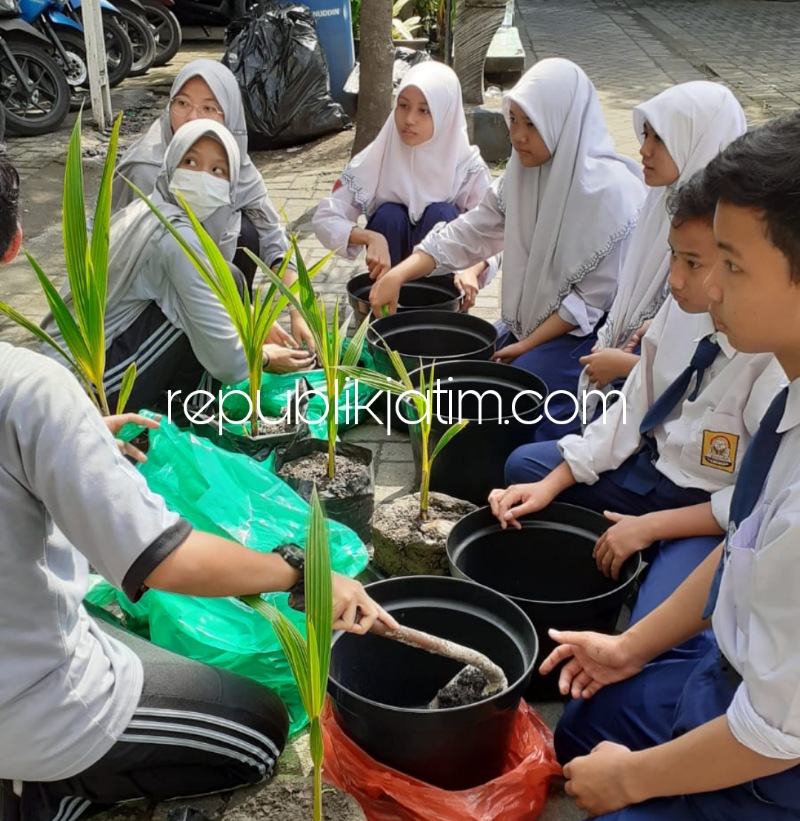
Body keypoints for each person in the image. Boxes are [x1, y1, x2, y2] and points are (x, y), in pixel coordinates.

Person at [0, 146, 397, 821]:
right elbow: (167, 561)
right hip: (32, 710)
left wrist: (74, 438)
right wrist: (304, 574)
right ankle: (50, 796)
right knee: (257, 727)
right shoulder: (26, 390)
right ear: (14, 244)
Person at [538, 111, 800, 821]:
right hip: (733, 675)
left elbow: (776, 733)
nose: (709, 288)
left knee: (607, 791)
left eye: (733, 265)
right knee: (583, 726)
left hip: (772, 763)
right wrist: (627, 647)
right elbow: (743, 547)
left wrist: (629, 781)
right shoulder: (791, 401)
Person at [489, 169, 785, 640]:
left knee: (658, 627)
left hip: (704, 511)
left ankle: (648, 557)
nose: (676, 279)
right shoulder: (680, 310)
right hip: (649, 471)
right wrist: (554, 482)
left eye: (694, 263)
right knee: (526, 470)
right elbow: (631, 408)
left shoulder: (770, 353)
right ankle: (634, 551)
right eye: (673, 257)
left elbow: (752, 503)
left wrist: (650, 527)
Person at [369, 58, 646, 440]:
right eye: (513, 120)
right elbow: (470, 232)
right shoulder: (521, 173)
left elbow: (588, 304)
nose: (518, 136)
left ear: (563, 121)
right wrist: (399, 273)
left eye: (532, 124)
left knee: (519, 399)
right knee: (465, 379)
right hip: (532, 324)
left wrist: (525, 345)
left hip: (588, 336)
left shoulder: (610, 196)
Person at [44, 120, 314, 414]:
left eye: (217, 171)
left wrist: (251, 318)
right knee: (197, 317)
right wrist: (263, 358)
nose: (202, 177)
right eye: (191, 162)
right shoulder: (174, 241)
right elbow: (229, 363)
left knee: (229, 278)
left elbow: (220, 282)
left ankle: (179, 403)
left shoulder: (151, 207)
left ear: (231, 184)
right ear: (171, 164)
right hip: (80, 389)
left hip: (74, 362)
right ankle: (195, 412)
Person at [112, 59, 312, 349]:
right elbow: (173, 260)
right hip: (145, 292)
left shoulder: (232, 157)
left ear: (229, 116)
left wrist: (298, 308)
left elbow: (272, 233)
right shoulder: (147, 169)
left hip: (196, 271)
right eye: (182, 103)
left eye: (208, 108)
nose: (192, 118)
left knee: (246, 233)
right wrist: (245, 319)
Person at [577, 81, 746, 400]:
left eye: (661, 138)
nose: (644, 149)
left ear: (697, 141)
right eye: (646, 135)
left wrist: (628, 366)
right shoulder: (658, 204)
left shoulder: (720, 234)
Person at [312, 61, 496, 310]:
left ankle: (437, 314)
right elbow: (325, 217)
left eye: (424, 110)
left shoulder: (467, 168)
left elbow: (494, 234)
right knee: (390, 216)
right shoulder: (376, 157)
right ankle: (386, 308)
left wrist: (471, 271)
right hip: (386, 286)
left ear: (446, 114)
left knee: (442, 215)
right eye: (403, 106)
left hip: (442, 294)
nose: (409, 119)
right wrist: (368, 236)